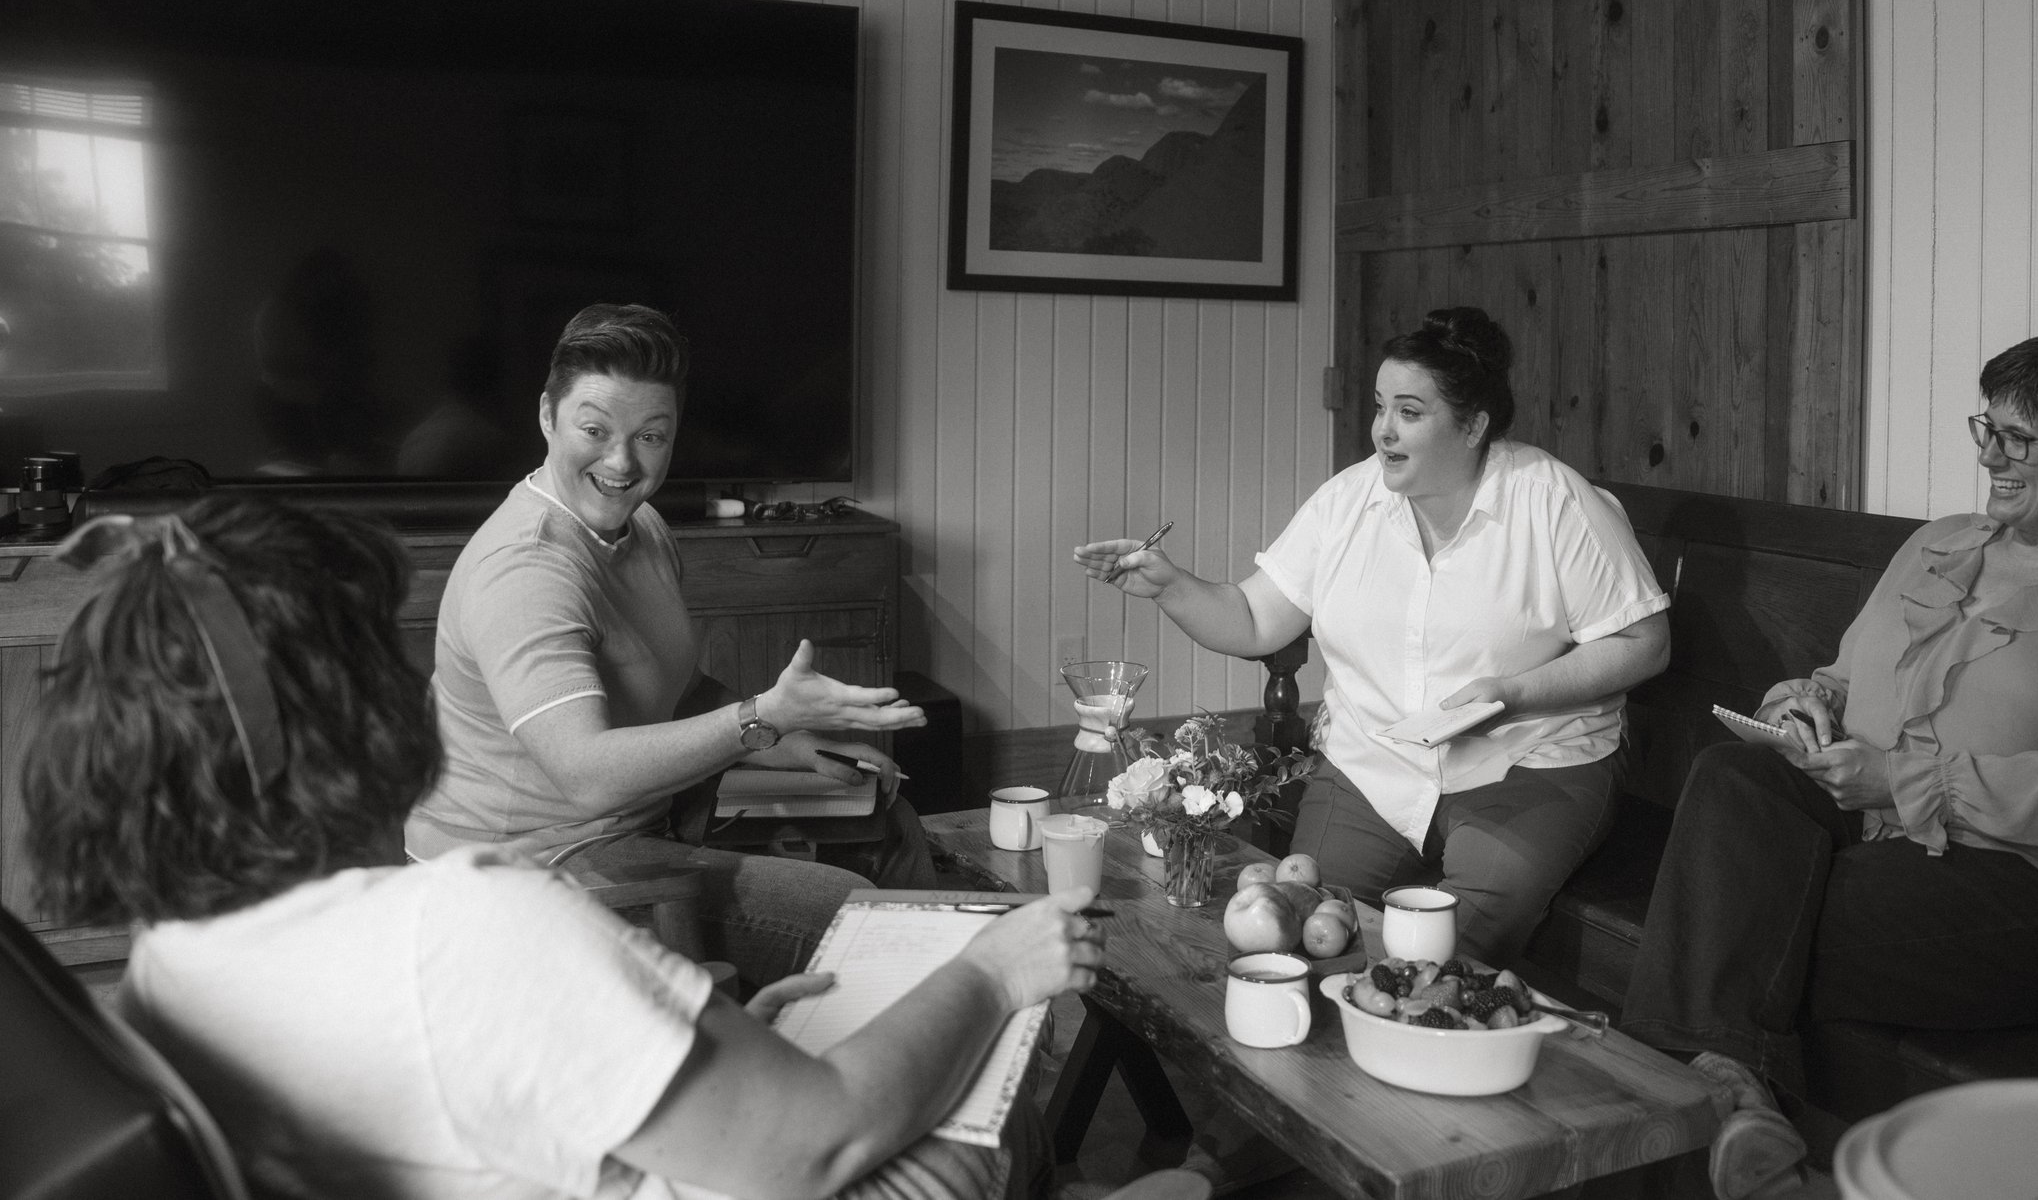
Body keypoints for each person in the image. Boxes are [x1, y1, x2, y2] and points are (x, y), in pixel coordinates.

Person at [21, 497, 1103, 1200]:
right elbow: (812, 1147)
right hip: (769, 1160)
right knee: (983, 1107)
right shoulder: (457, 926)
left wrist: (676, 1057)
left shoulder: (172, 951)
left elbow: (454, 1107)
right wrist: (992, 970)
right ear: (335, 712)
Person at [1617, 333, 2038, 1200]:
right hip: (1868, 826)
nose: (1988, 455)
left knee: (1742, 922)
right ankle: (1736, 1110)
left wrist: (1903, 781)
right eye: (1986, 428)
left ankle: (1702, 1124)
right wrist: (1806, 706)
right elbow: (1842, 671)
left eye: (2019, 440)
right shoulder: (1940, 542)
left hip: (2031, 883)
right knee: (1731, 777)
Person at [1075, 306, 1672, 965]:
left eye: (1410, 413)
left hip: (1530, 765)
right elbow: (1253, 619)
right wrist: (1168, 585)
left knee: (1446, 950)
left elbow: (1644, 643)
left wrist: (1514, 693)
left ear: (1473, 426)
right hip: (1373, 766)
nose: (1384, 430)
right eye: (1381, 407)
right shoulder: (1348, 500)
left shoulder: (1553, 502)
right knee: (1296, 929)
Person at [404, 302, 937, 982]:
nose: (621, 462)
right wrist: (763, 719)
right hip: (526, 873)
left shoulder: (642, 525)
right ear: (547, 415)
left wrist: (800, 743)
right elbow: (587, 774)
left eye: (651, 436)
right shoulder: (526, 571)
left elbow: (679, 691)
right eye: (594, 429)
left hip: (644, 822)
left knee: (892, 826)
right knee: (855, 915)